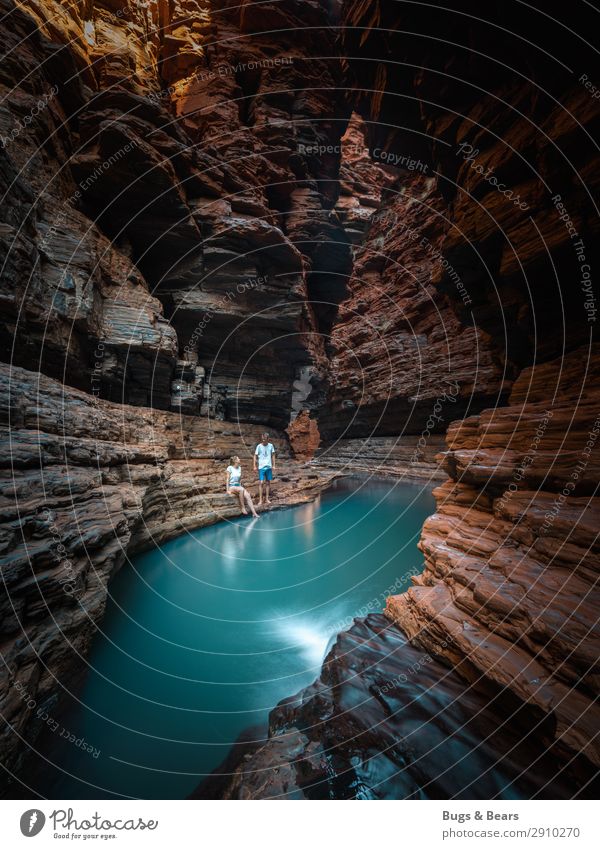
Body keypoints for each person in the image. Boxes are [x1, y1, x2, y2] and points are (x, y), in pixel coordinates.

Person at [253, 433, 276, 505]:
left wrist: (274, 465)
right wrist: (254, 466)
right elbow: (255, 456)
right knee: (261, 482)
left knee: (268, 482)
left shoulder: (271, 446)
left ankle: (267, 498)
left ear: (268, 439)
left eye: (264, 439)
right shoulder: (259, 446)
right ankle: (260, 500)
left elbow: (273, 455)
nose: (263, 440)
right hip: (261, 467)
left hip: (268, 466)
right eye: (262, 439)